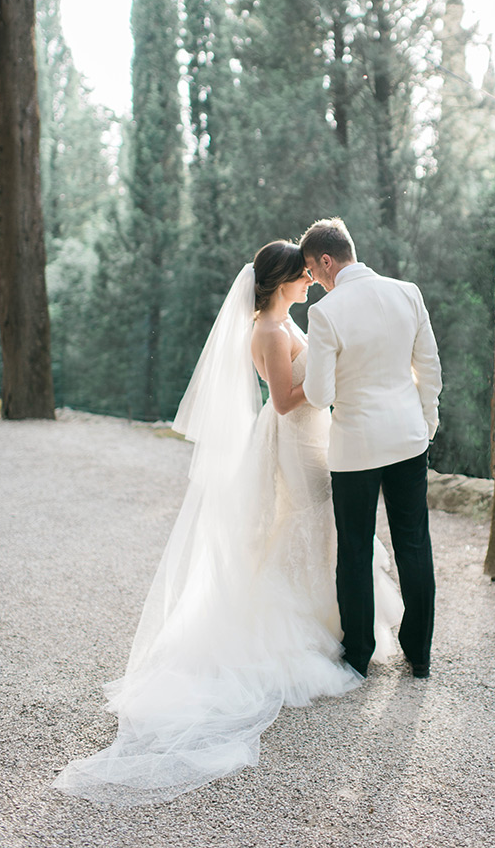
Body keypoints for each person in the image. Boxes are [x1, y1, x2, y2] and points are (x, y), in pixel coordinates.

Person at [54, 241, 399, 807]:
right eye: (302, 276)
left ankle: (336, 619)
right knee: (310, 522)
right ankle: (313, 627)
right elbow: (286, 402)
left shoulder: (283, 319)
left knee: (319, 525)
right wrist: (325, 372)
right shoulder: (267, 330)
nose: (311, 281)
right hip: (294, 437)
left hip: (313, 433)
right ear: (283, 280)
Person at [300, 219, 442, 679]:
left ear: (327, 260)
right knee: (414, 543)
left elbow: (319, 395)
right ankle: (418, 654)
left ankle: (358, 655)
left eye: (313, 271)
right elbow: (429, 368)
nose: (315, 282)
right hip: (407, 437)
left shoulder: (325, 313)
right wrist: (427, 424)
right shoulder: (408, 292)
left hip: (356, 448)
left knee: (355, 550)